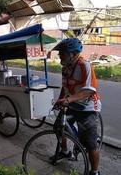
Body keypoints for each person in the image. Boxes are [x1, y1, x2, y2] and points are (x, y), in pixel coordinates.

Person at [52, 38, 102, 175]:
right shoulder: (65, 68)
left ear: (73, 54)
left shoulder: (84, 65)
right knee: (58, 127)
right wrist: (60, 100)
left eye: (62, 53)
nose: (59, 55)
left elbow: (89, 90)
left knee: (91, 144)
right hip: (72, 103)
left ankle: (95, 171)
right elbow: (65, 87)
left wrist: (69, 99)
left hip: (88, 106)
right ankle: (65, 152)